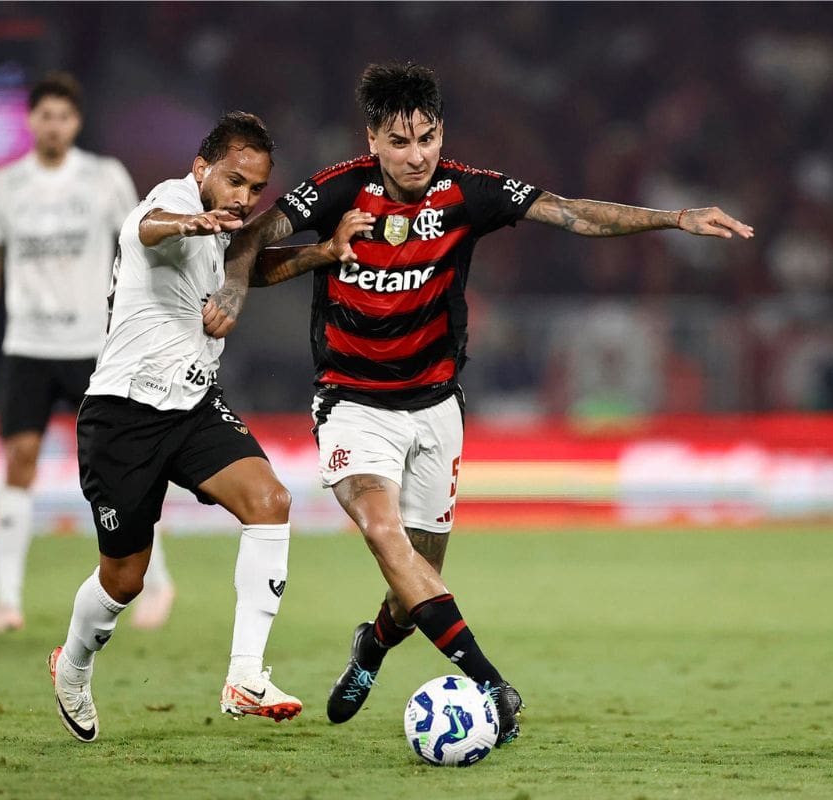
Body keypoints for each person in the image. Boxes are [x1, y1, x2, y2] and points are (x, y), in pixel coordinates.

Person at [202, 61, 755, 747]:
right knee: (384, 534)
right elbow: (255, 234)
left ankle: (371, 648)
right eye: (400, 142)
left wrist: (674, 218)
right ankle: (492, 682)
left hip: (436, 407)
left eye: (428, 137)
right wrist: (232, 286)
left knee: (419, 576)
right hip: (352, 405)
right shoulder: (340, 187)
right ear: (372, 139)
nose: (417, 154)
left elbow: (573, 213)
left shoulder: (469, 192)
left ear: (442, 133)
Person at [48, 111, 306, 743]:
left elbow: (254, 267)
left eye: (255, 189)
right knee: (124, 579)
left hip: (190, 408)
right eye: (235, 181)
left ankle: (245, 674)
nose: (244, 198)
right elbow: (145, 229)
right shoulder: (173, 198)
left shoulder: (224, 229)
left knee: (270, 502)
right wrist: (193, 218)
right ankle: (73, 664)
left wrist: (324, 252)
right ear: (202, 169)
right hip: (123, 415)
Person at [0, 71, 176, 633]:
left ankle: (158, 582)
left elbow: (138, 252)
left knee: (121, 465)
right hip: (26, 347)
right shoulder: (1, 187)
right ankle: (7, 602)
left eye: (63, 116)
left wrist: (145, 331)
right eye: (44, 115)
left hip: (94, 347)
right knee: (20, 461)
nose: (53, 125)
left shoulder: (104, 179)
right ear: (31, 121)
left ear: (75, 123)